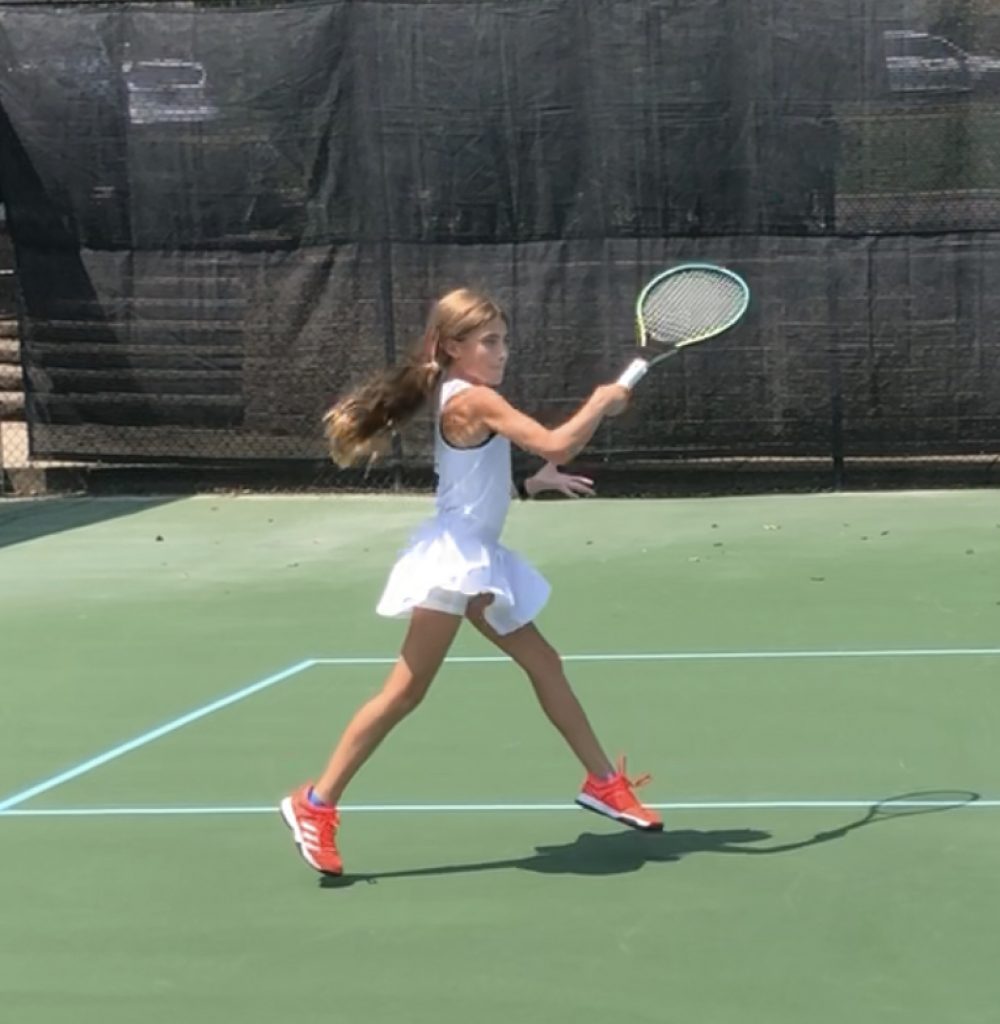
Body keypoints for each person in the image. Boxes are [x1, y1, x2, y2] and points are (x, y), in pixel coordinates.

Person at [280, 287, 661, 876]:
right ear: (453, 348)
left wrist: (529, 486)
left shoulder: (470, 398)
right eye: (489, 342)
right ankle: (314, 803)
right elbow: (557, 441)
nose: (502, 351)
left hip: (476, 555)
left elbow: (474, 482)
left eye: (504, 340)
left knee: (545, 662)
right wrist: (600, 400)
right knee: (405, 692)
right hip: (454, 561)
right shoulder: (474, 401)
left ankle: (603, 782)